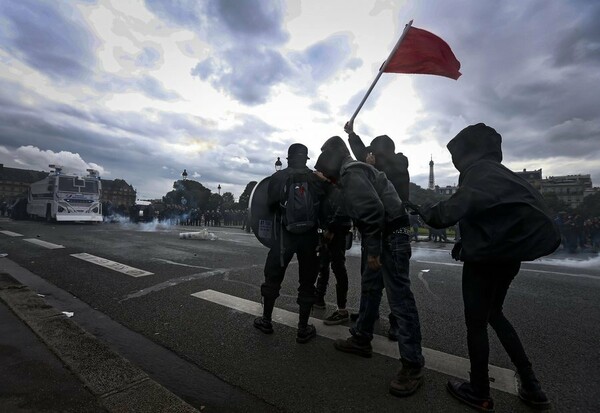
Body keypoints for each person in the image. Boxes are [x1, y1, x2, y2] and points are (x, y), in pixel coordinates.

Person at [412, 123, 560, 411]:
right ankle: (532, 385)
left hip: (486, 260)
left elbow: (449, 213)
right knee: (495, 314)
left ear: (468, 152)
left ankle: (479, 389)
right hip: (509, 256)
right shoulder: (502, 174)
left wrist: (425, 210)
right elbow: (489, 214)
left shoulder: (478, 173)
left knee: (476, 324)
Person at [315, 136, 425, 397]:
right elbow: (348, 205)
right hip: (385, 232)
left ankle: (413, 365)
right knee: (370, 287)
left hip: (390, 234)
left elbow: (373, 210)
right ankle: (362, 337)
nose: (328, 179)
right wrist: (331, 229)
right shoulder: (350, 174)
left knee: (399, 298)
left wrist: (373, 249)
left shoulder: (352, 173)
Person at [344, 123, 411, 341]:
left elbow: (382, 185)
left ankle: (393, 322)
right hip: (383, 229)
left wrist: (371, 167)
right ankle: (368, 316)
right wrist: (352, 135)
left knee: (393, 284)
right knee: (371, 280)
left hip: (387, 228)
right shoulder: (391, 162)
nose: (368, 154)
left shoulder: (393, 167)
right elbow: (361, 151)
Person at [254, 143, 326, 344]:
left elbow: (268, 206)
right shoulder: (314, 178)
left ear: (288, 158)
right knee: (307, 282)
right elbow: (323, 207)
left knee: (273, 277)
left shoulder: (278, 177)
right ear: (305, 159)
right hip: (310, 237)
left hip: (284, 236)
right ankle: (303, 328)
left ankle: (266, 320)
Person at [313, 151, 353, 326]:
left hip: (335, 228)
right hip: (331, 227)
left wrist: (330, 228)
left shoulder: (340, 181)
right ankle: (319, 298)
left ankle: (342, 310)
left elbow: (341, 201)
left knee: (337, 266)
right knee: (324, 265)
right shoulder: (336, 179)